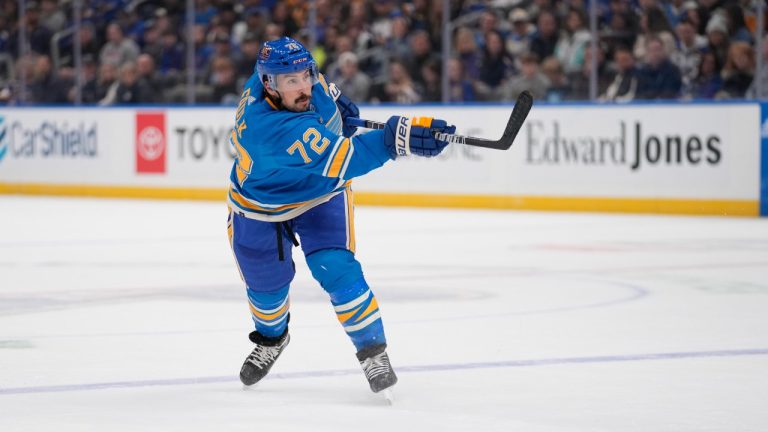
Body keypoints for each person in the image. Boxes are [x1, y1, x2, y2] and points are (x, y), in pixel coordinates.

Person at [226, 37, 455, 396]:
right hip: (259, 207)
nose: (304, 86)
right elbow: (347, 157)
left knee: (337, 269)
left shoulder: (280, 79)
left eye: (306, 75)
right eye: (292, 82)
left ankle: (372, 352)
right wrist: (399, 140)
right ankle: (272, 339)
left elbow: (325, 97)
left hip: (321, 194)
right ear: (269, 85)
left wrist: (336, 104)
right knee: (266, 292)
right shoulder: (268, 129)